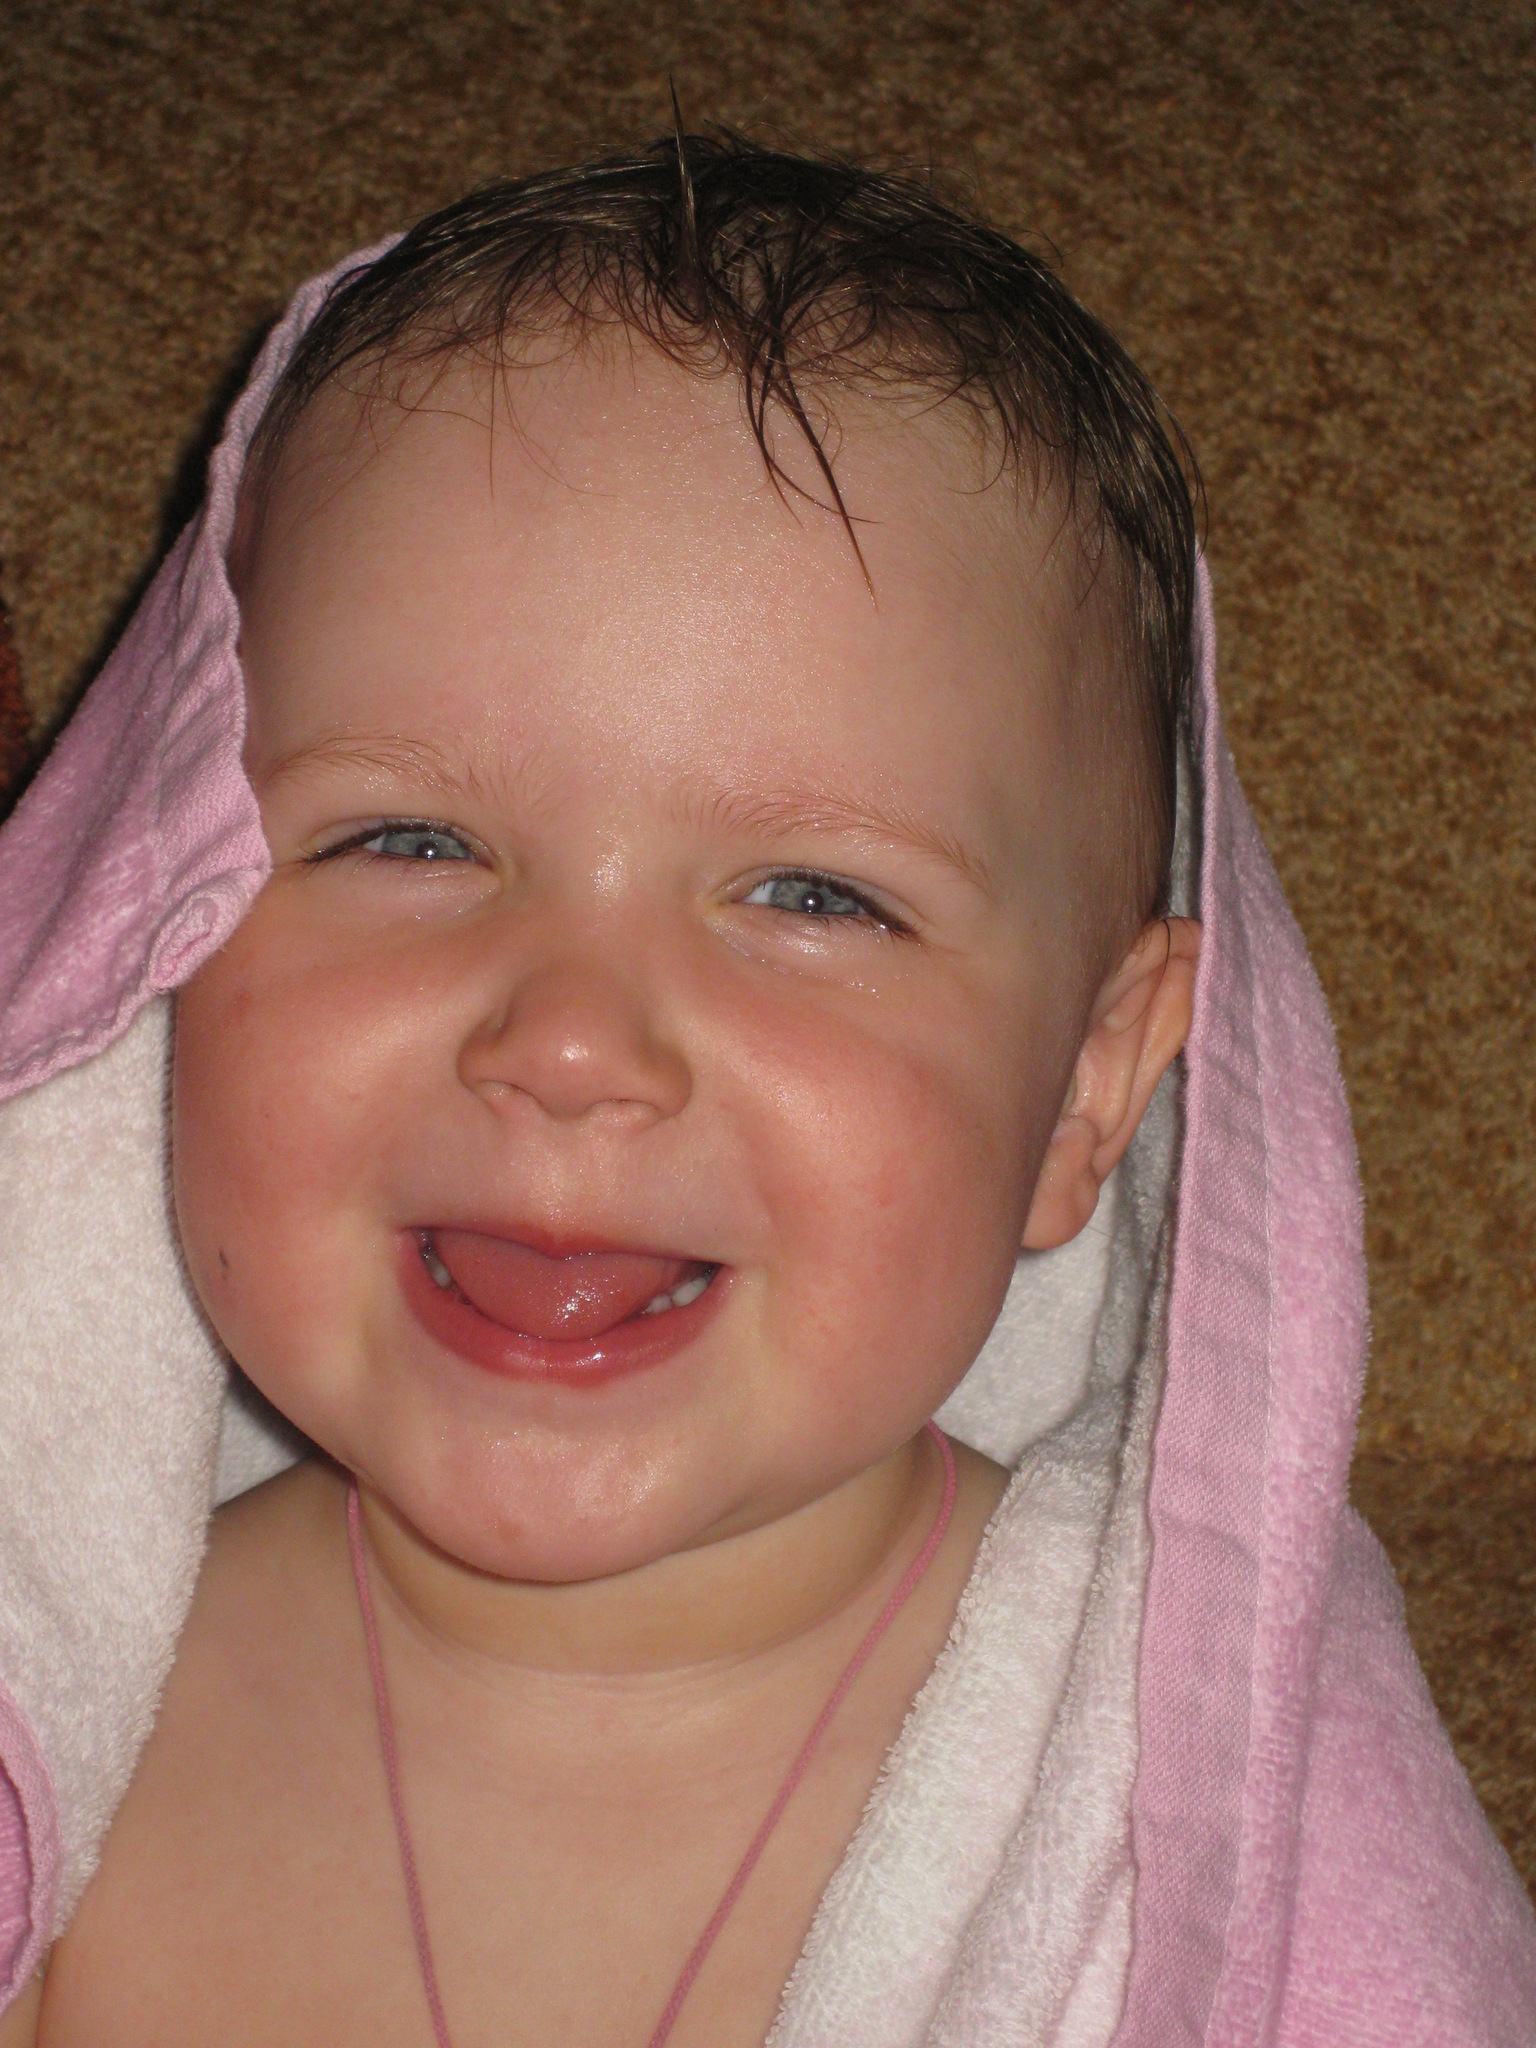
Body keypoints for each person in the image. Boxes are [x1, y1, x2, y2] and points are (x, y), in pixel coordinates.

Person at [0, 133, 1531, 2047]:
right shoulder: (58, 1722)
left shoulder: (1212, 1778)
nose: (569, 1041)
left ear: (1087, 1092)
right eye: (408, 839)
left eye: (813, 895)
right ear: (150, 923)